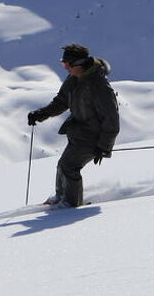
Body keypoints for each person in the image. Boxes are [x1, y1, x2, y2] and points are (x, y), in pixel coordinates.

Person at [27, 43, 120, 208]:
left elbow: (111, 119)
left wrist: (104, 146)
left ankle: (70, 204)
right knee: (63, 165)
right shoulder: (74, 79)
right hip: (79, 133)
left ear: (80, 63)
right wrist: (41, 114)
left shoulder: (99, 86)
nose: (65, 68)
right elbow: (62, 101)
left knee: (69, 167)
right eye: (63, 64)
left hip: (93, 137)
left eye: (67, 64)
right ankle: (60, 197)